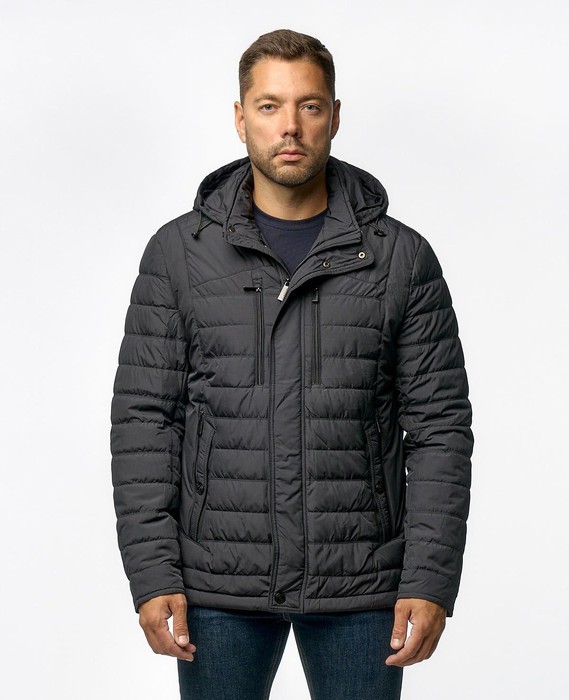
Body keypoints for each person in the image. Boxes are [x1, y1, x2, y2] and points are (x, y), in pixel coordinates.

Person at [110, 28, 473, 700]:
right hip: (217, 580)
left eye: (309, 105)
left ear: (334, 115)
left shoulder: (400, 259)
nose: (290, 127)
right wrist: (153, 572)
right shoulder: (179, 254)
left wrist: (429, 579)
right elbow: (144, 422)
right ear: (240, 117)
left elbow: (440, 429)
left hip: (362, 581)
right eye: (270, 105)